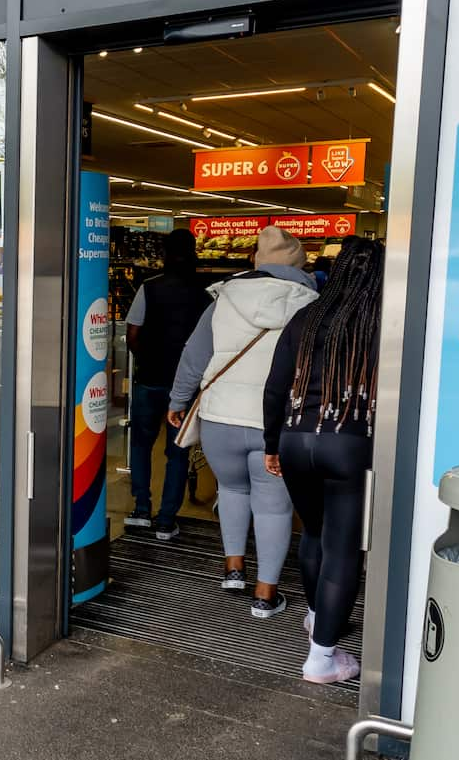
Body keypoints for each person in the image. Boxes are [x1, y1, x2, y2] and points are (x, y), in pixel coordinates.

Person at [167, 226, 318, 619]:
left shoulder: (225, 296)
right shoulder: (311, 304)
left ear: (256, 260)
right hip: (276, 423)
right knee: (273, 507)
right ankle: (266, 594)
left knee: (232, 490)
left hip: (221, 416)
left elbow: (195, 354)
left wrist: (179, 399)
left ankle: (233, 569)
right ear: (300, 266)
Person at [263, 238, 384, 684]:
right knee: (342, 548)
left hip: (296, 439)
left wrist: (271, 443)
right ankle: (321, 658)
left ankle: (317, 618)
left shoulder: (305, 319)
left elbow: (275, 387)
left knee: (312, 532)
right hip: (348, 441)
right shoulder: (380, 323)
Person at [123, 229, 211, 540]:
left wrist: (149, 359)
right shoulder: (207, 295)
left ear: (164, 254)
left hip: (150, 379)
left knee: (141, 444)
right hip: (185, 387)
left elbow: (132, 336)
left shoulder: (149, 288)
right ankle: (166, 519)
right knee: (177, 452)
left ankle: (140, 509)